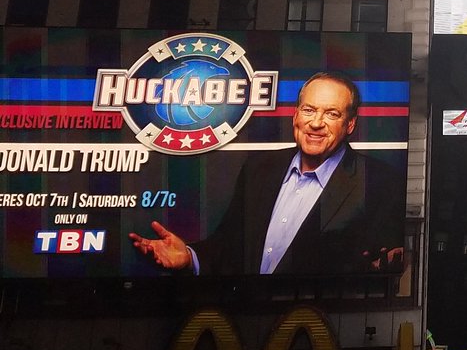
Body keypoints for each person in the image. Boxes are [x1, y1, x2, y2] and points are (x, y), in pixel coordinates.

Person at [129, 71, 405, 275]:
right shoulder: (259, 168)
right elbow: (230, 246)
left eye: (332, 114)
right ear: (295, 116)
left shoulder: (380, 183)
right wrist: (190, 257)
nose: (317, 123)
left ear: (350, 125)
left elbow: (381, 267)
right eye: (309, 110)